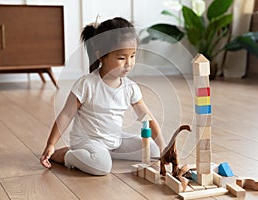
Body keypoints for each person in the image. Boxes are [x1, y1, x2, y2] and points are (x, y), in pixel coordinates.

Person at [40, 17, 166, 175]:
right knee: (101, 167)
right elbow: (66, 115)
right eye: (121, 58)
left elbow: (148, 117)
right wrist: (51, 144)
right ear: (101, 56)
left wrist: (164, 148)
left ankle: (104, 155)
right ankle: (66, 154)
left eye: (133, 56)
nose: (129, 63)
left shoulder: (130, 88)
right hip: (88, 141)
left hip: (115, 141)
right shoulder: (87, 85)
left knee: (153, 149)